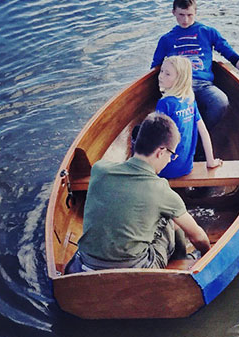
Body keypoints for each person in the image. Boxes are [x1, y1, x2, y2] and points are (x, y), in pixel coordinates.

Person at [66, 112, 210, 272]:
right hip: (136, 269)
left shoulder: (99, 170)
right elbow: (198, 237)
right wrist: (207, 256)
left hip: (86, 264)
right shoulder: (161, 190)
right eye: (172, 155)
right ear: (161, 152)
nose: (170, 160)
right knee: (171, 218)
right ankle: (181, 260)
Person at [151, 0, 239, 129]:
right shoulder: (166, 39)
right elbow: (155, 67)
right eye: (181, 15)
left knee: (221, 101)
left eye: (189, 15)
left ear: (195, 12)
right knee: (175, 110)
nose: (185, 20)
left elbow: (231, 56)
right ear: (174, 13)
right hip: (178, 85)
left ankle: (201, 132)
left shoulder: (208, 32)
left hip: (203, 84)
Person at [156, 55, 222, 179]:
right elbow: (204, 132)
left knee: (138, 132)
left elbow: (157, 137)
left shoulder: (165, 103)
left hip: (165, 169)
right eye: (162, 71)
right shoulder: (190, 100)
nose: (161, 76)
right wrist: (211, 162)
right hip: (186, 167)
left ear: (179, 79)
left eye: (167, 74)